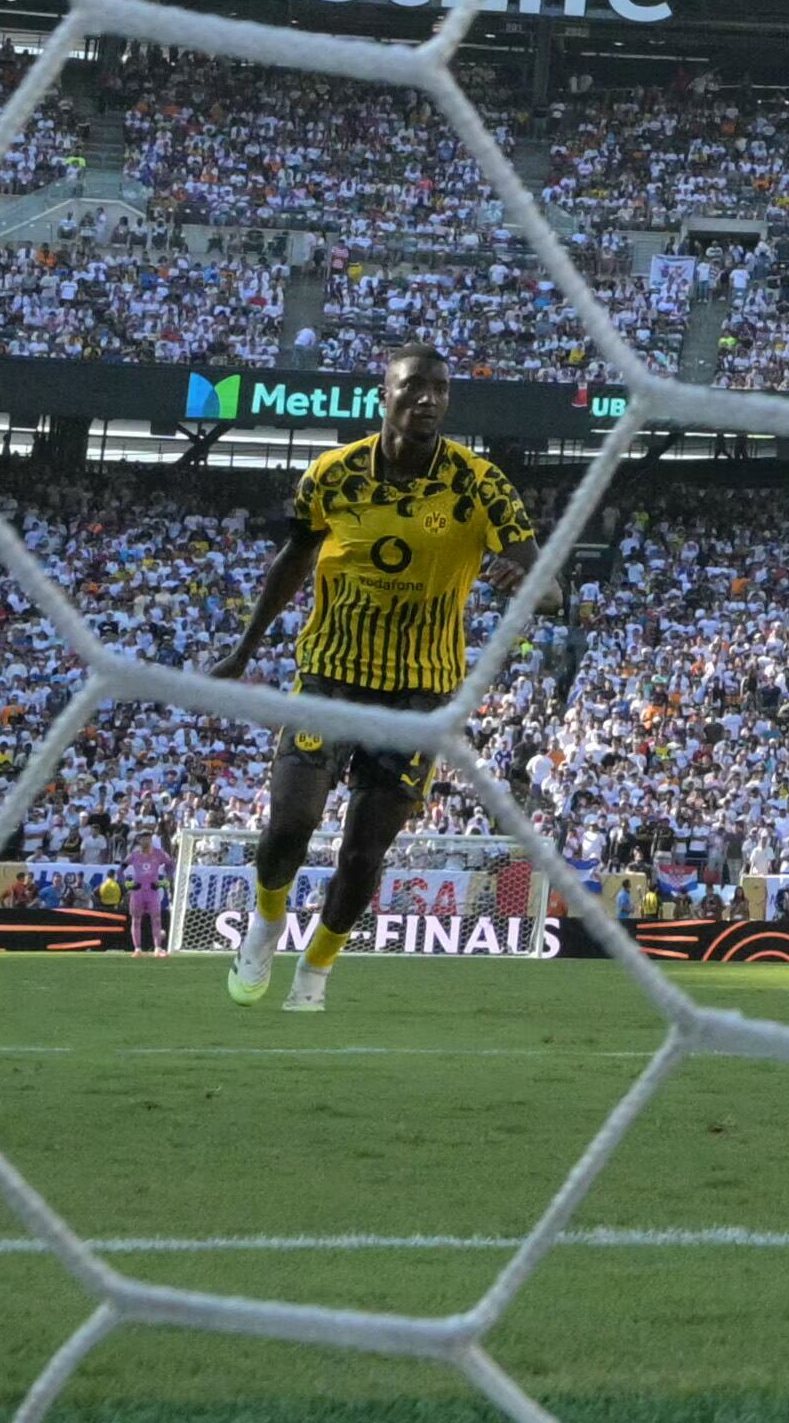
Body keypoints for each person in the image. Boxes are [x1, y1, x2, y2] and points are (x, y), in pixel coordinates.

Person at [210, 345, 538, 1013]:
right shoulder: (331, 475)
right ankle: (267, 923)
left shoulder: (479, 484)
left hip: (418, 698)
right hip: (329, 679)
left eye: (441, 389)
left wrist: (528, 580)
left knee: (363, 855)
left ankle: (318, 968)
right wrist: (245, 647)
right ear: (382, 394)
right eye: (414, 386)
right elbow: (294, 557)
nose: (429, 399)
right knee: (289, 826)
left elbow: (545, 572)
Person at [122, 833, 171, 956]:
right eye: (143, 840)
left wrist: (165, 881)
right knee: (136, 920)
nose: (146, 842)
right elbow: (120, 869)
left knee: (156, 919)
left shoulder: (159, 854)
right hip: (138, 892)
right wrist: (127, 883)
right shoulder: (134, 855)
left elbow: (171, 865)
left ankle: (158, 948)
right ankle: (137, 949)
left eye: (148, 839)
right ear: (139, 841)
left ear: (151, 841)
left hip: (152, 891)